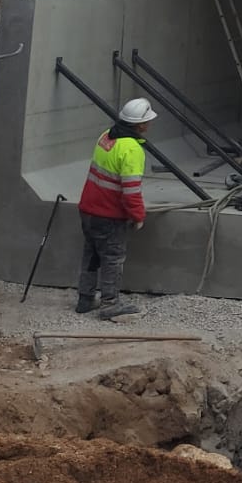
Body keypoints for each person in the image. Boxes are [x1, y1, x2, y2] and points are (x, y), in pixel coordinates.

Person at [77, 98, 153, 319]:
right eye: (147, 121)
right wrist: (138, 215)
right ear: (139, 125)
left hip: (88, 209)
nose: (149, 125)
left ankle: (85, 299)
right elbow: (130, 189)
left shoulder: (106, 136)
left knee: (91, 254)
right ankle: (110, 304)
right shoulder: (131, 150)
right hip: (109, 215)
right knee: (112, 258)